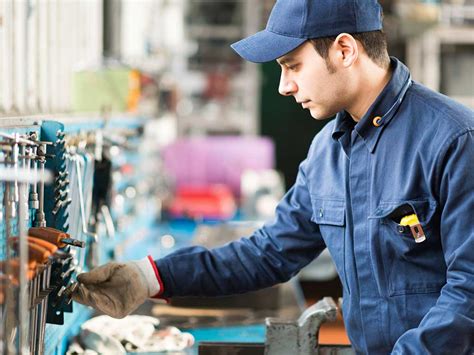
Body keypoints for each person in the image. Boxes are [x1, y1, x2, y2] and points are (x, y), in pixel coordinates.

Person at [72, 0, 474, 353]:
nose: (284, 85)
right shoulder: (328, 152)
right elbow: (269, 253)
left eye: (292, 65)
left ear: (345, 50)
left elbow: (468, 290)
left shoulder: (453, 140)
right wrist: (149, 277)